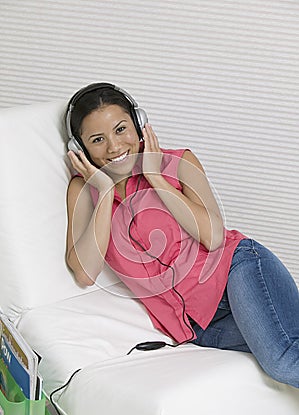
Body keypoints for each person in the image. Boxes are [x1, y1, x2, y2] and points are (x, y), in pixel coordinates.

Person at [65, 82, 299, 388]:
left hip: (238, 272)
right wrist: (106, 192)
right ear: (80, 150)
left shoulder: (179, 163)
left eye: (121, 129)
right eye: (98, 139)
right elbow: (84, 272)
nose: (114, 147)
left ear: (139, 125)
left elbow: (214, 237)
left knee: (282, 363)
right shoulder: (83, 190)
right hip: (197, 327)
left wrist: (154, 177)